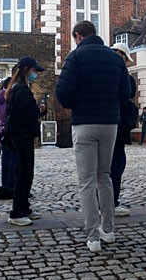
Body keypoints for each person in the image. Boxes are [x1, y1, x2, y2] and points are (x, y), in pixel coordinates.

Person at [56, 20, 130, 253]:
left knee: (86, 181)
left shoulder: (75, 58)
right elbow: (125, 93)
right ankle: (108, 230)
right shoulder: (116, 59)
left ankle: (92, 237)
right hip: (110, 123)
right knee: (104, 176)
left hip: (85, 122)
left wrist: (77, 103)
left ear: (77, 36)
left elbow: (64, 94)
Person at [4, 56, 46, 226]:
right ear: (27, 69)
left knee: (26, 171)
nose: (35, 74)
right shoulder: (22, 90)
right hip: (22, 134)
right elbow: (30, 112)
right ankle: (17, 211)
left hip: (21, 133)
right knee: (23, 172)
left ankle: (24, 207)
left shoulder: (18, 88)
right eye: (34, 71)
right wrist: (40, 109)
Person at [111, 42, 138, 218]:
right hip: (118, 126)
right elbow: (129, 95)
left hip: (105, 123)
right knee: (116, 166)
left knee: (103, 167)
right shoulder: (124, 78)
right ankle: (111, 203)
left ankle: (104, 201)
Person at [0, 77, 16, 199]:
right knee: (13, 159)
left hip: (2, 130)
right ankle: (11, 187)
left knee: (5, 160)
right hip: (10, 130)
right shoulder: (8, 98)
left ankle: (5, 185)